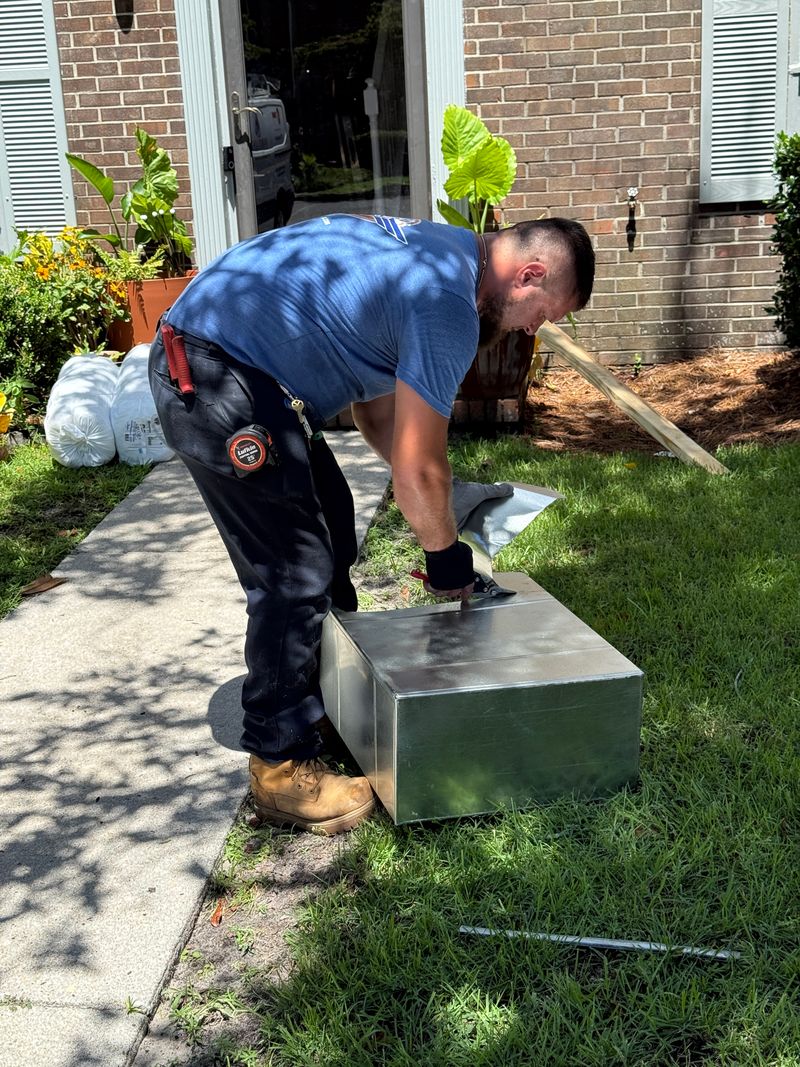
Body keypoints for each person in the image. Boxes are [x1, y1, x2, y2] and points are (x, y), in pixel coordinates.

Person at [148, 213, 595, 835]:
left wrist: (444, 495)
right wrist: (447, 563)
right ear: (529, 274)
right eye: (542, 313)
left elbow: (377, 420)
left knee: (331, 525)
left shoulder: (439, 257)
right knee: (294, 571)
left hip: (238, 367)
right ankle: (279, 765)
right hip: (214, 374)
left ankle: (323, 704)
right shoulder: (447, 301)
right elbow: (416, 469)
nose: (532, 330)